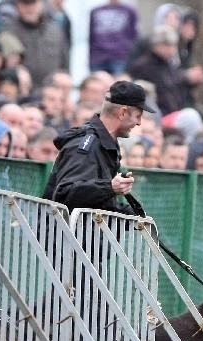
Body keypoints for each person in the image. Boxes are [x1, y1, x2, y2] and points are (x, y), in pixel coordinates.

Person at [41, 80, 155, 214]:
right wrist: (110, 187)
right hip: (62, 234)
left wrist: (133, 215)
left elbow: (97, 205)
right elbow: (65, 196)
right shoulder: (86, 144)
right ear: (122, 113)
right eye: (138, 116)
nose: (139, 123)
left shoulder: (105, 144)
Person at [88, 0, 139, 75]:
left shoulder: (129, 11)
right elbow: (91, 36)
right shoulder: (96, 11)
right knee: (98, 84)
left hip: (120, 56)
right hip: (98, 56)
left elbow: (134, 36)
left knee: (120, 85)